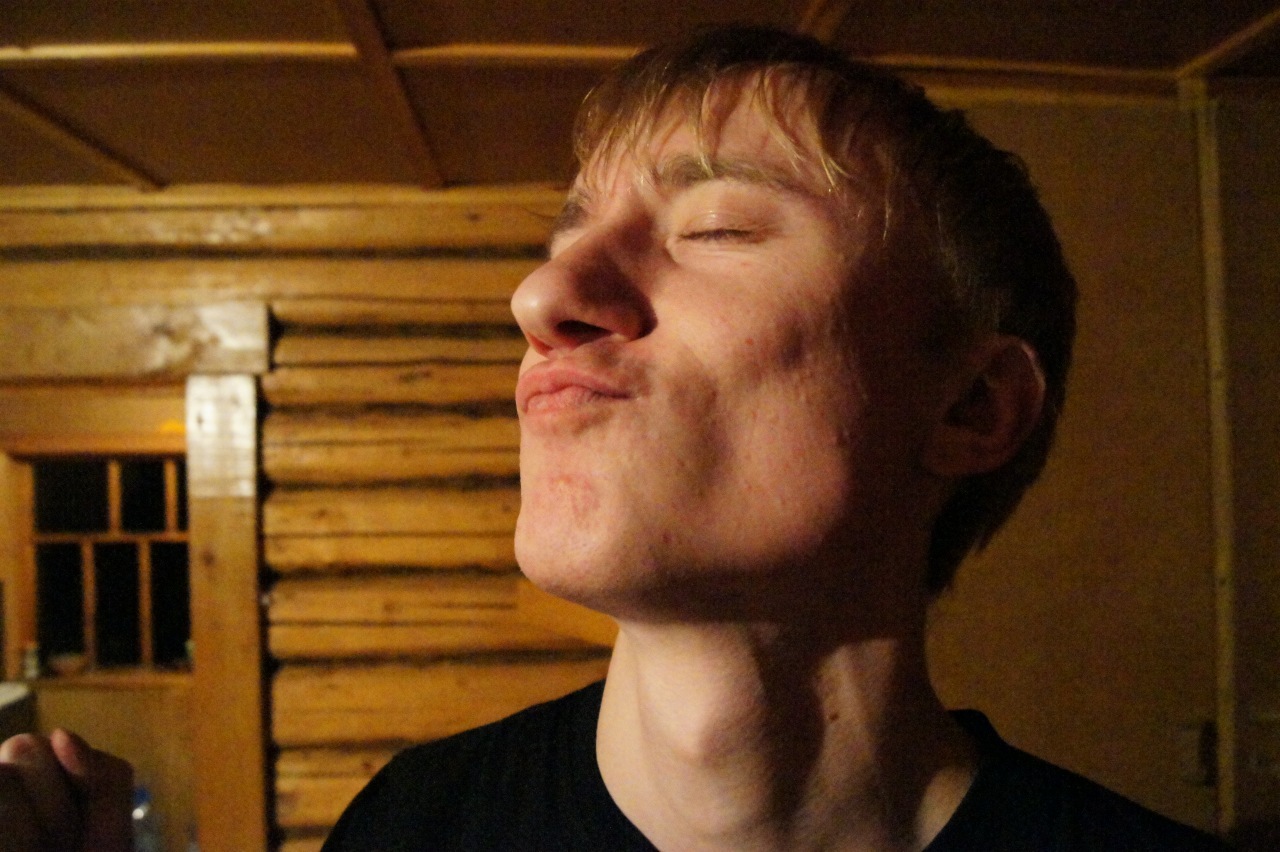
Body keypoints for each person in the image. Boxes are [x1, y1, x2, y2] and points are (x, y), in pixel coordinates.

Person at [2, 25, 1228, 852]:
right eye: (564, 238)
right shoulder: (410, 827)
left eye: (716, 230)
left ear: (969, 407)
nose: (540, 296)